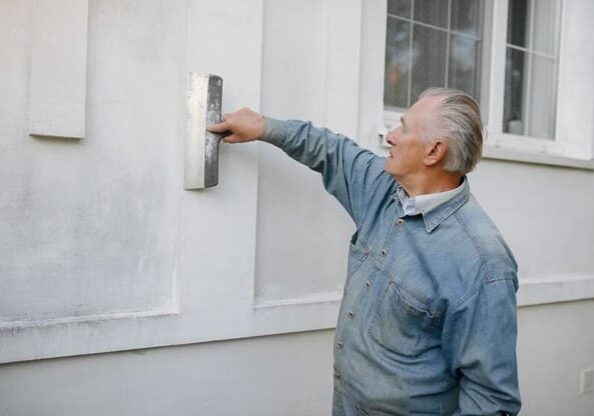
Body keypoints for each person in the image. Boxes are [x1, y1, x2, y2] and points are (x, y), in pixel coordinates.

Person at [209, 88, 521, 416]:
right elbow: (331, 150)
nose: (391, 136)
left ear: (433, 151)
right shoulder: (384, 189)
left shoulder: (481, 263)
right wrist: (262, 126)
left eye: (403, 128)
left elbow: (491, 401)